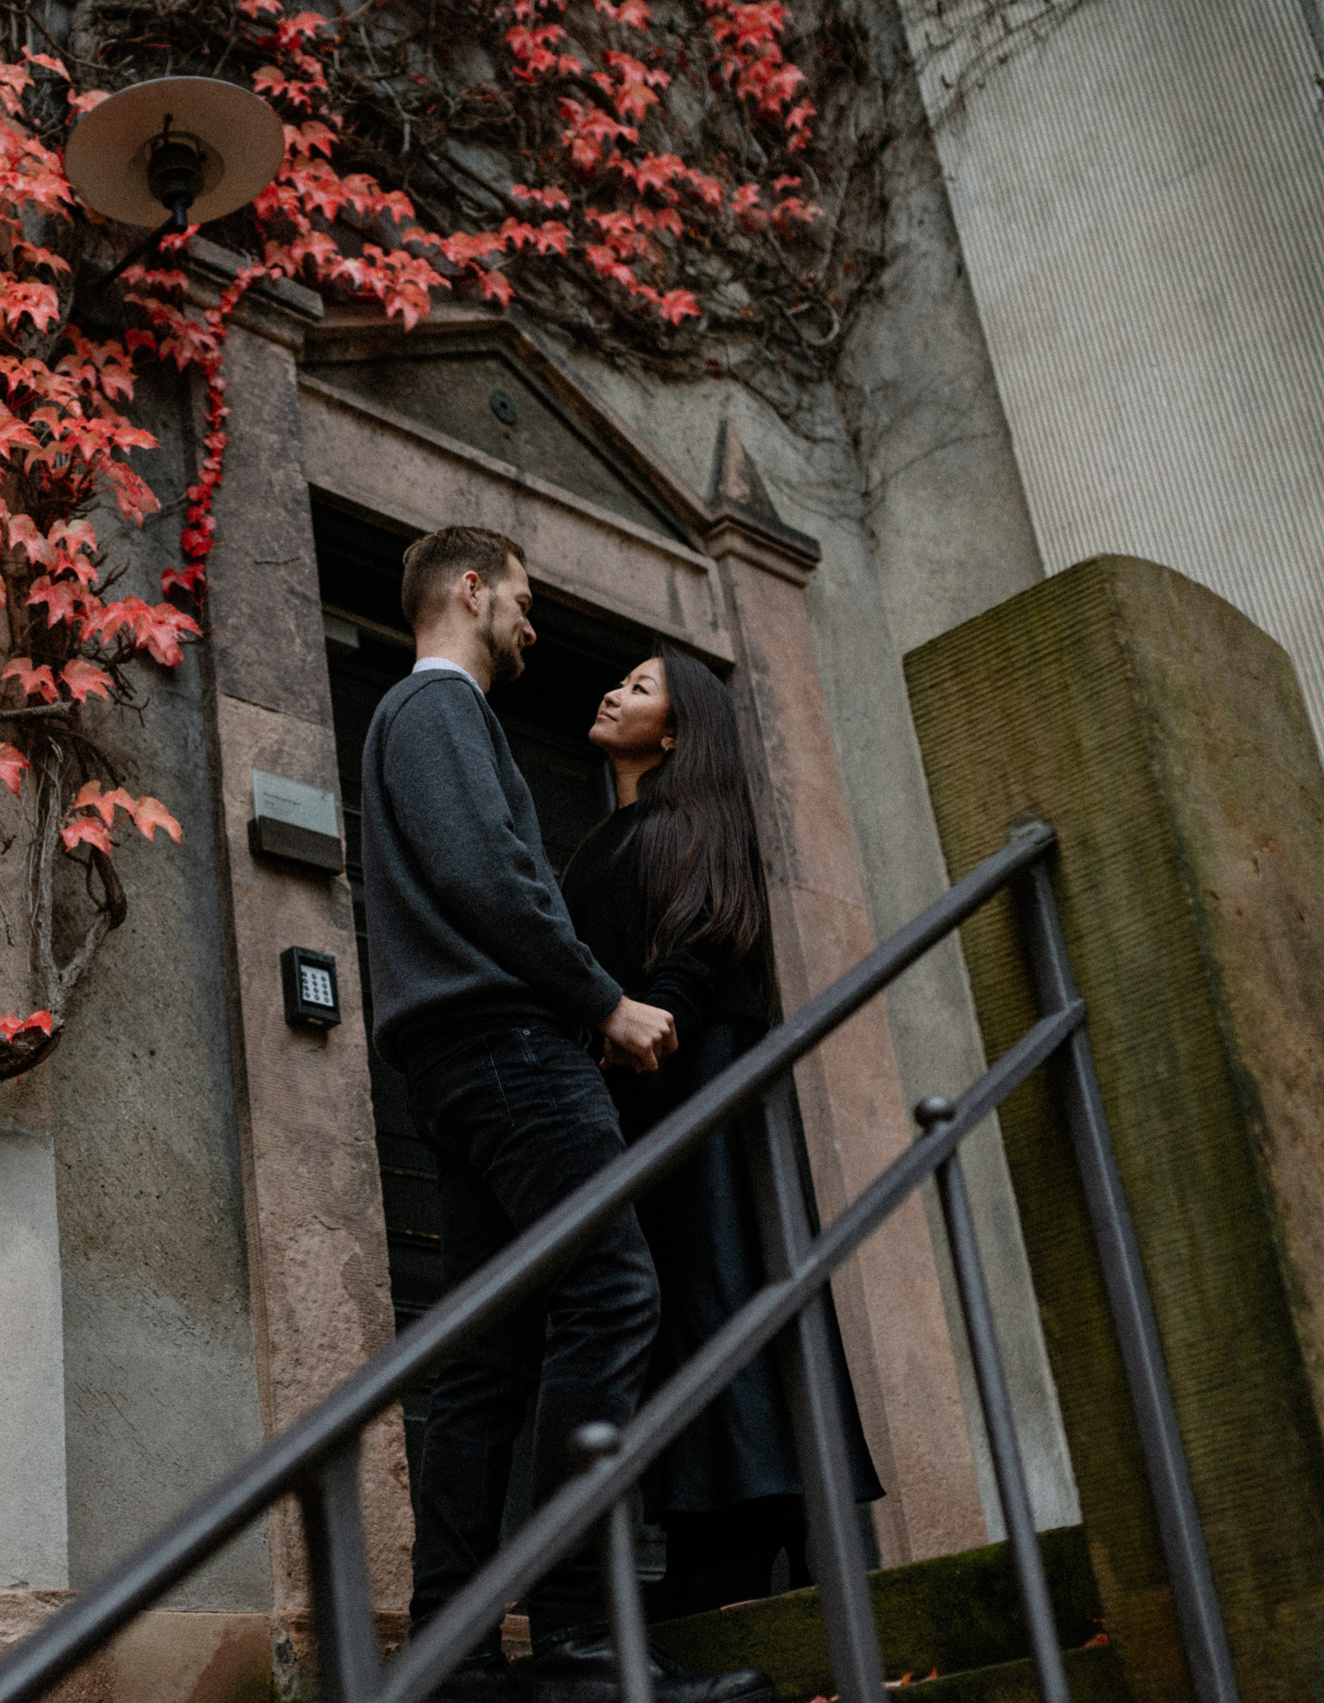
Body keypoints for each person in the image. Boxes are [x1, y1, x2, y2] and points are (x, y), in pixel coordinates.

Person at [360, 527, 774, 1703]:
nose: (536, 627)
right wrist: (607, 1000)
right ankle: (584, 1638)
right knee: (614, 1292)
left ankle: (455, 1651)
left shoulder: (420, 719)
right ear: (472, 589)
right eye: (527, 602)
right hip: (506, 1051)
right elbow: (488, 876)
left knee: (491, 1354)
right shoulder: (438, 709)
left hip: (458, 1060)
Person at [563, 648, 885, 1621]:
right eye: (614, 676)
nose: (613, 688)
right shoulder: (605, 841)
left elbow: (707, 938)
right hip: (641, 1106)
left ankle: (744, 1540)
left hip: (701, 1088)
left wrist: (647, 1017)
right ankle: (714, 1535)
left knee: (728, 1289)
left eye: (640, 685)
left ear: (676, 728)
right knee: (678, 1307)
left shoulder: (696, 822)